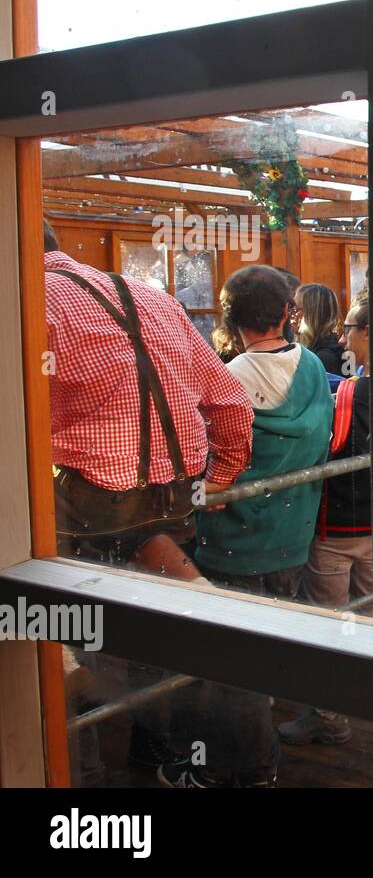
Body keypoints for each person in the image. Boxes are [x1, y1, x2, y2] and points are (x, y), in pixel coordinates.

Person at [44, 219, 254, 774]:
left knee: (67, 643)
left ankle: (76, 770)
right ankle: (154, 750)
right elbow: (231, 403)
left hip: (82, 512)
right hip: (172, 502)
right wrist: (221, 481)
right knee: (157, 632)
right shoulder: (150, 295)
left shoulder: (29, 301)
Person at [165, 265, 333, 788]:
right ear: (288, 311)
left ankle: (248, 770)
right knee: (263, 656)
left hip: (233, 542)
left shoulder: (228, 376)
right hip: (292, 538)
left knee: (236, 669)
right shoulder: (310, 367)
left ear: (228, 315)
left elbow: (203, 455)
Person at [277, 290, 373, 748]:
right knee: (371, 613)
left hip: (341, 526)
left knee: (328, 620)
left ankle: (330, 717)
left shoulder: (353, 390)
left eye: (351, 328)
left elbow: (332, 449)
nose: (344, 335)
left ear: (370, 334)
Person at [295, 283, 344, 375]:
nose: (294, 315)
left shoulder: (325, 357)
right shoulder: (314, 350)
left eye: (298, 309)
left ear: (313, 313)